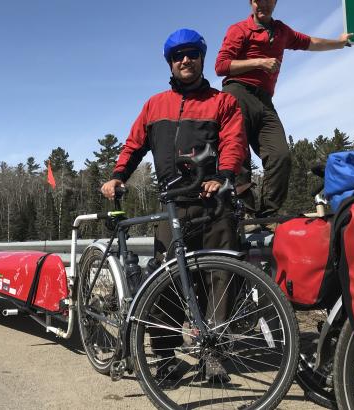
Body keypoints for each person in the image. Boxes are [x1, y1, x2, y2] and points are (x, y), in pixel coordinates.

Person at [101, 28, 246, 383]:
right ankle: (165, 356)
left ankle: (213, 358)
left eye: (192, 54)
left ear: (201, 59)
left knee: (220, 280)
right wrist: (119, 174)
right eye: (178, 55)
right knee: (162, 280)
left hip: (214, 203)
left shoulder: (222, 102)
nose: (185, 60)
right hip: (172, 206)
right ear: (170, 62)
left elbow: (234, 143)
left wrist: (224, 175)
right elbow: (134, 144)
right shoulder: (155, 105)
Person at [215, 0, 353, 217]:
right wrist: (259, 62)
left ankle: (267, 215)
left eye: (268, 1)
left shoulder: (282, 31)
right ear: (251, 3)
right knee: (238, 155)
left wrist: (339, 43)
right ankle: (240, 212)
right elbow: (221, 66)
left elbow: (311, 42)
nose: (263, 5)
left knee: (280, 155)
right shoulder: (240, 29)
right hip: (237, 93)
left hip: (265, 100)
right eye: (258, 1)